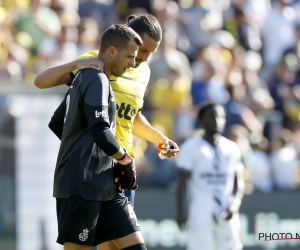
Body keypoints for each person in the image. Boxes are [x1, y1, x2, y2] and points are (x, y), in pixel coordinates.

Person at [34, 14, 180, 250]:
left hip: (121, 170)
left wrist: (159, 139)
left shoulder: (142, 73)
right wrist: (74, 65)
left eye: (148, 54)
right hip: (93, 167)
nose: (140, 60)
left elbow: (131, 116)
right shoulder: (95, 64)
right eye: (140, 51)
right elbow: (42, 83)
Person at [48, 23, 148, 250]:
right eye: (130, 57)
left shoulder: (85, 77)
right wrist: (126, 160)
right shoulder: (96, 79)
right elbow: (101, 130)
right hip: (81, 188)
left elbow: (57, 122)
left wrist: (84, 147)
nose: (133, 64)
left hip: (105, 185)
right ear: (112, 51)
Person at [176, 101, 244, 250]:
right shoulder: (191, 146)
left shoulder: (232, 148)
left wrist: (234, 205)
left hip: (227, 212)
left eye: (221, 117)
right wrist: (181, 211)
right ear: (201, 120)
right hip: (201, 210)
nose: (217, 121)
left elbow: (238, 181)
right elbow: (181, 181)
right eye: (213, 116)